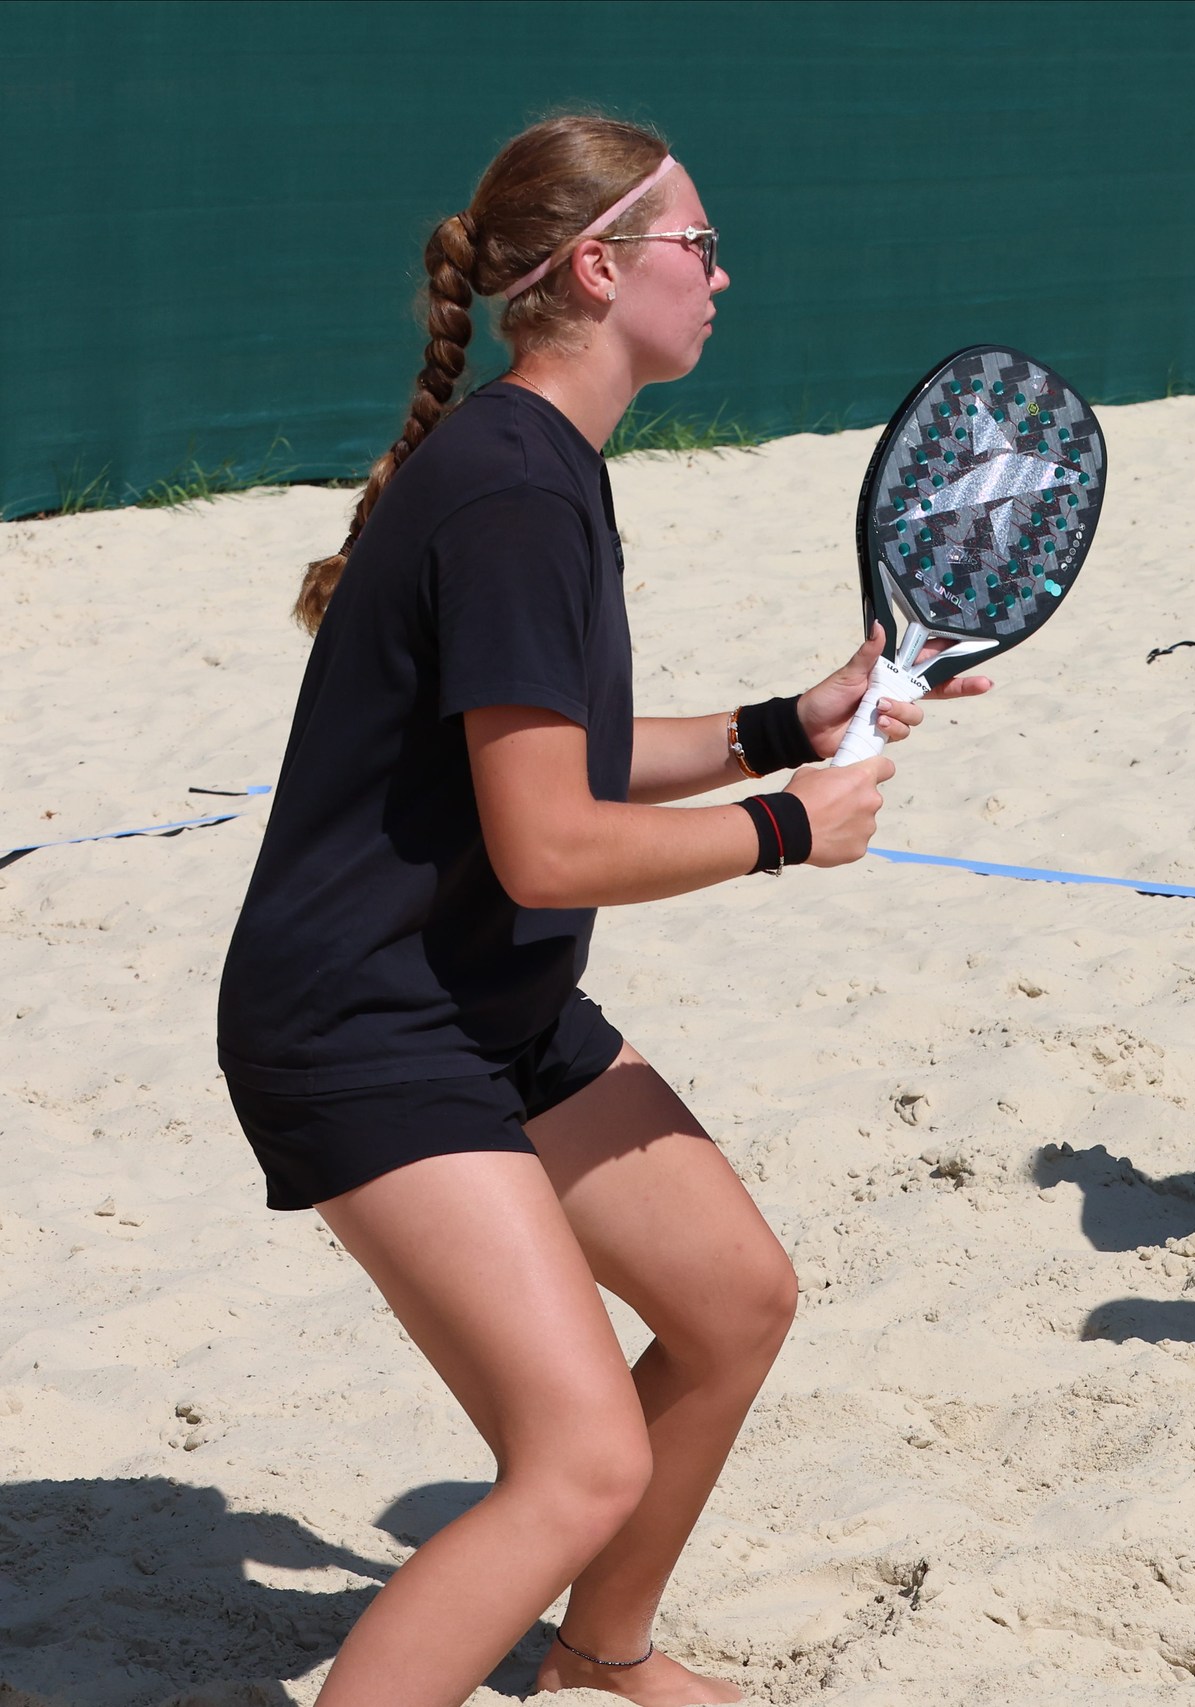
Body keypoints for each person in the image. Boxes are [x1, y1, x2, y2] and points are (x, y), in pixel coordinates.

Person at [215, 116, 984, 1705]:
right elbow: (548, 843)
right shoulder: (510, 489)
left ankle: (597, 1650)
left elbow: (556, 750)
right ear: (598, 268)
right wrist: (786, 827)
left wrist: (781, 724)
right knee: (577, 1459)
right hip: (365, 1018)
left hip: (482, 997)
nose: (721, 274)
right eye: (698, 244)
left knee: (734, 1301)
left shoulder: (540, 463)